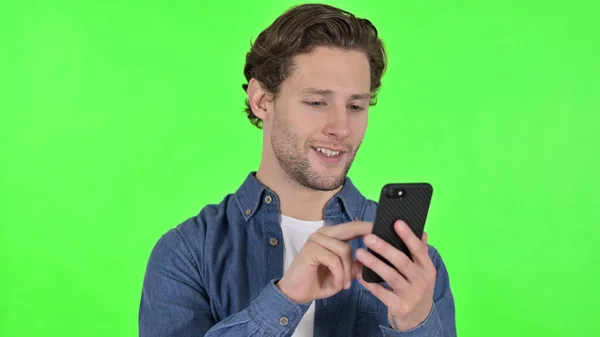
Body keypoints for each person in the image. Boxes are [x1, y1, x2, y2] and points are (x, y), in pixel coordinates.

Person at [139, 3, 456, 337]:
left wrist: (416, 324)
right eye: (317, 102)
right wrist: (285, 299)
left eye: (355, 106)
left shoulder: (415, 267)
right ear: (262, 100)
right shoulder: (187, 253)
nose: (342, 128)